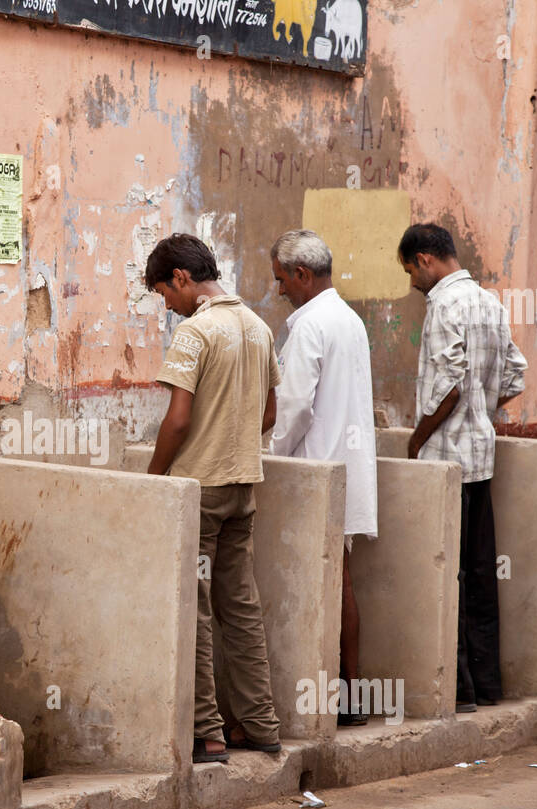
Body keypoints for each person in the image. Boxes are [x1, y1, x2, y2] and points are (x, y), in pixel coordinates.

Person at [146, 233, 283, 763]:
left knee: (199, 611)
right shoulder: (258, 327)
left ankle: (209, 734)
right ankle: (261, 724)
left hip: (199, 491)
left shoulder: (196, 333)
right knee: (241, 607)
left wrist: (154, 478)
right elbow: (269, 416)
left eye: (164, 294)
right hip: (242, 488)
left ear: (182, 279)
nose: (168, 306)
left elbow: (177, 421)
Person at [398, 223, 528, 713]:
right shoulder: (490, 303)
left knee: (445, 574)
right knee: (479, 574)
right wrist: (483, 410)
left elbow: (448, 386)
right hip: (481, 458)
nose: (412, 280)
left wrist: (416, 439)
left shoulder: (443, 305)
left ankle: (459, 692)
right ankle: (487, 685)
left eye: (411, 269)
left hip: (446, 462)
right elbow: (515, 373)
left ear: (427, 259)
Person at [268, 229, 378, 727]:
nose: (280, 290)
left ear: (302, 275)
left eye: (282, 280)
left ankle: (326, 700)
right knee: (342, 580)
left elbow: (293, 408)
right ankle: (352, 695)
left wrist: (271, 457)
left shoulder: (311, 325)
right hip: (346, 468)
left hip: (315, 471)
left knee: (323, 582)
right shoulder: (350, 320)